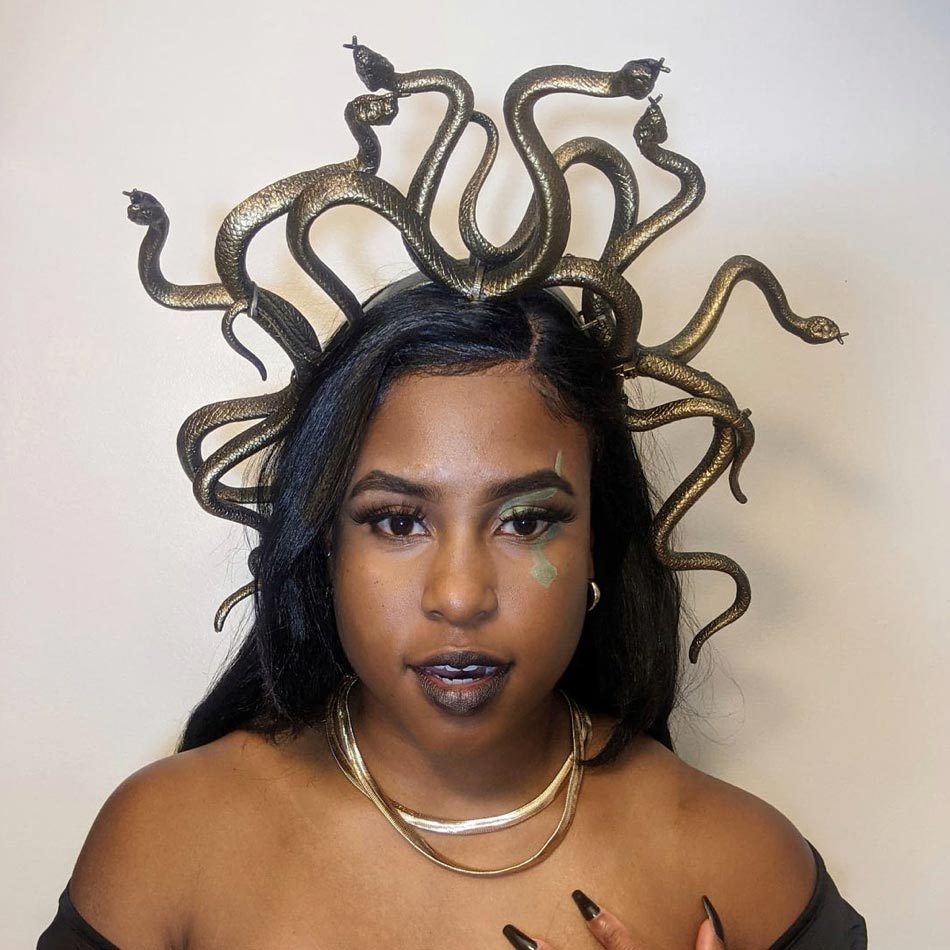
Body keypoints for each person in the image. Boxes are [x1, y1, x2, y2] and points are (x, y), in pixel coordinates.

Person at [39, 41, 866, 949]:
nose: (462, 596)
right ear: (324, 547)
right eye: (395, 521)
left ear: (597, 542)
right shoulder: (168, 845)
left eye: (527, 520)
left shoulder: (742, 868)